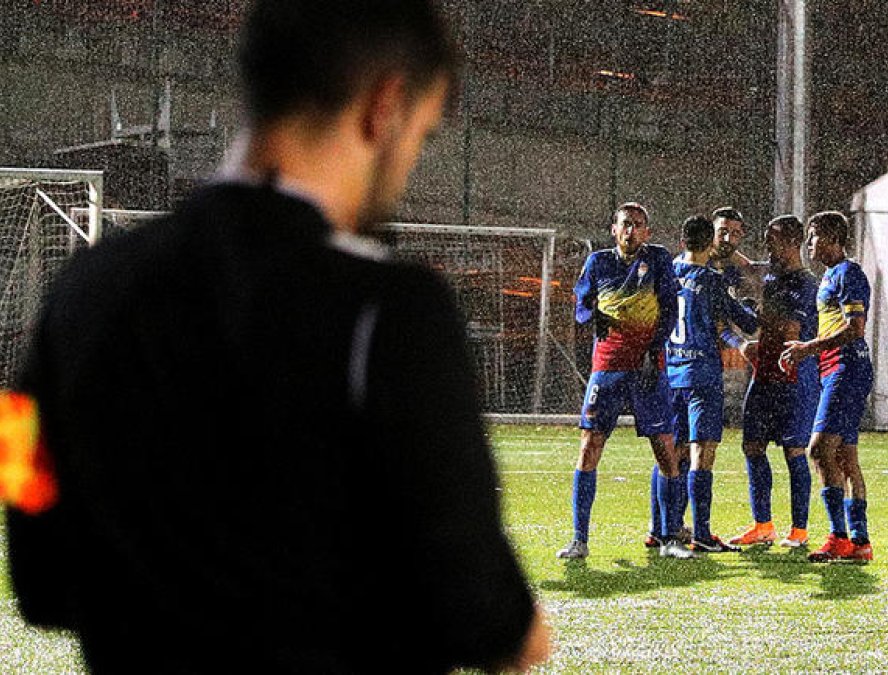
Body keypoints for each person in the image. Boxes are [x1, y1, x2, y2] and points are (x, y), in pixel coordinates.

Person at [4, 2, 553, 672]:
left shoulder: (77, 291)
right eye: (423, 134)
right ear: (385, 105)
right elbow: (485, 612)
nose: (408, 163)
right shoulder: (393, 310)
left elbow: (36, 571)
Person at [559, 203, 692, 560]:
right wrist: (593, 316)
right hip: (608, 368)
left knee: (665, 449)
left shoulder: (660, 260)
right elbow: (581, 306)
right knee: (590, 447)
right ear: (614, 230)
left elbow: (669, 308)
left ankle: (669, 539)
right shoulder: (598, 263)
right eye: (625, 225)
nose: (631, 231)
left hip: (649, 366)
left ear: (647, 232)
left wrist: (654, 350)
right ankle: (579, 539)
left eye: (638, 225)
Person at [780, 211, 874, 562]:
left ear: (833, 237)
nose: (809, 243)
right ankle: (860, 541)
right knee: (845, 457)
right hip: (837, 368)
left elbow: (855, 327)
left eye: (814, 236)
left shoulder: (848, 273)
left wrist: (808, 348)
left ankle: (838, 537)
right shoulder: (830, 276)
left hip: (846, 369)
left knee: (818, 450)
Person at [727, 215, 819, 548]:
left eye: (774, 240)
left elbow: (789, 330)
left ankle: (799, 530)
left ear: (793, 242)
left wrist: (754, 313)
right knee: (752, 445)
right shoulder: (772, 274)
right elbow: (749, 266)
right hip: (765, 372)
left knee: (795, 450)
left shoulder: (805, 284)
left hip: (794, 375)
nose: (769, 246)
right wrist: (722, 243)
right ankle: (763, 525)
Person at [668, 215, 758, 553]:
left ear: (682, 241)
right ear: (710, 243)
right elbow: (746, 322)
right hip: (701, 375)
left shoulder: (670, 271)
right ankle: (702, 534)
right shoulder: (711, 279)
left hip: (671, 373)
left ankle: (662, 528)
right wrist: (752, 305)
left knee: (669, 453)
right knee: (701, 453)